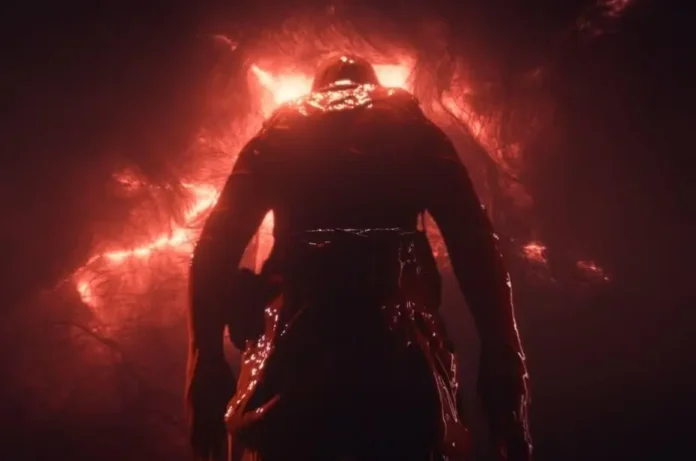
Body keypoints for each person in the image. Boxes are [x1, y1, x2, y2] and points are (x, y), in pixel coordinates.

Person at [186, 54, 531, 461]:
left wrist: (205, 361)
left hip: (294, 370)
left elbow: (215, 249)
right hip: (398, 368)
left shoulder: (279, 133)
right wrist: (502, 355)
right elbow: (475, 245)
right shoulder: (416, 132)